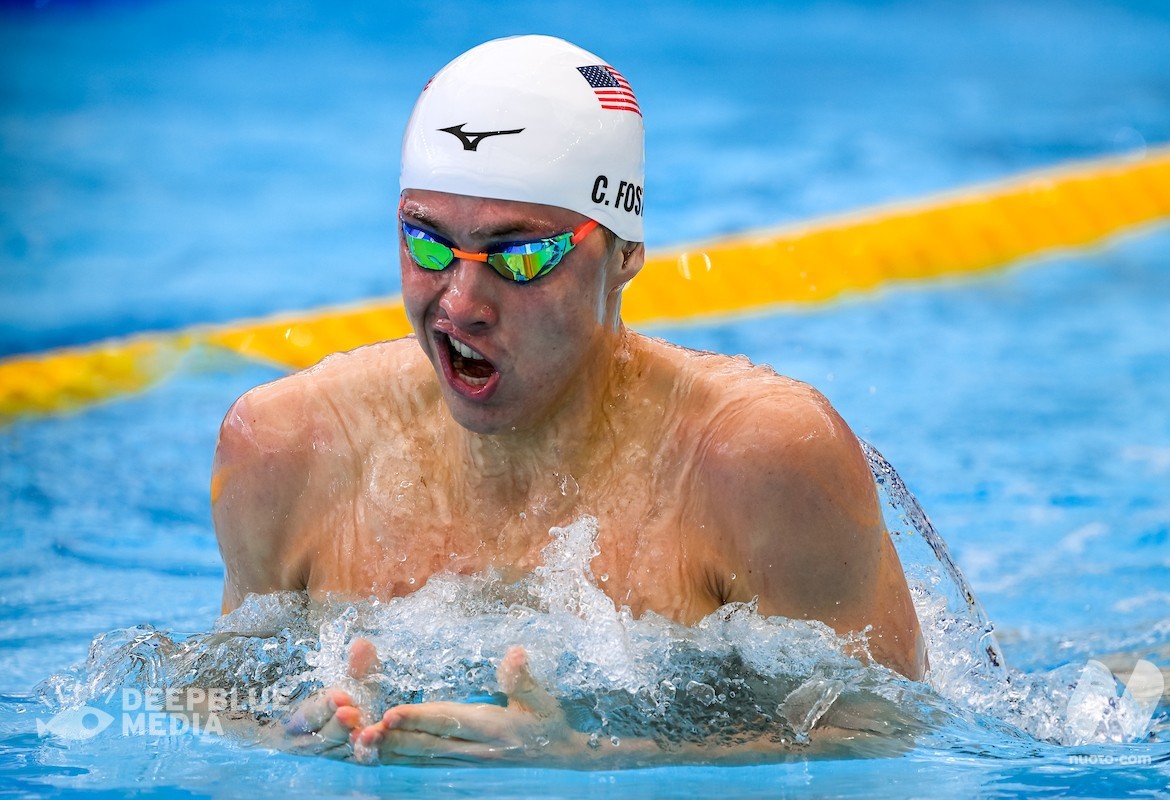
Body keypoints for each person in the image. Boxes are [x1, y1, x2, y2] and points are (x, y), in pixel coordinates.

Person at [211, 34, 925, 764]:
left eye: (520, 257)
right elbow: (205, 698)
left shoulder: (754, 460)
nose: (461, 303)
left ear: (624, 253)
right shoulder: (292, 447)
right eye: (426, 242)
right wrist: (283, 733)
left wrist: (604, 754)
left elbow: (891, 735)